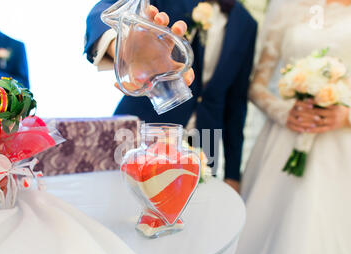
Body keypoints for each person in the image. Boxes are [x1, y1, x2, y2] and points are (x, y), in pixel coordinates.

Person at [221, 0, 351, 254]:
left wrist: (350, 116)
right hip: (287, 138)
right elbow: (257, 85)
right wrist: (284, 111)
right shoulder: (286, 6)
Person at [84, 0, 257, 192]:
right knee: (119, 202)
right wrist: (122, 45)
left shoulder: (246, 24)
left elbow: (236, 102)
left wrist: (233, 174)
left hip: (206, 143)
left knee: (195, 216)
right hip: (142, 130)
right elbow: (103, 11)